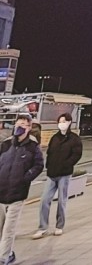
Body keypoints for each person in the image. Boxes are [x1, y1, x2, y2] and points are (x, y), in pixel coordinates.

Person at [0, 113, 43, 265]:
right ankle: (8, 253)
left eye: (24, 125)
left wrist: (26, 178)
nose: (21, 127)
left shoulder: (32, 147)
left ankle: (3, 258)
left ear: (29, 128)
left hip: (17, 194)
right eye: (19, 124)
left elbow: (39, 165)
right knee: (1, 228)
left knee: (9, 229)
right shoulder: (6, 144)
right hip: (1, 192)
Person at [33, 113, 83, 239]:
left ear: (69, 122)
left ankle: (59, 226)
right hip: (52, 173)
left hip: (64, 174)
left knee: (62, 200)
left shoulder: (74, 139)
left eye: (64, 121)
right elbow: (50, 152)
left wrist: (67, 164)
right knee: (44, 200)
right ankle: (43, 227)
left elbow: (76, 155)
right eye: (60, 121)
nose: (61, 124)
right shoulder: (55, 138)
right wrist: (48, 165)